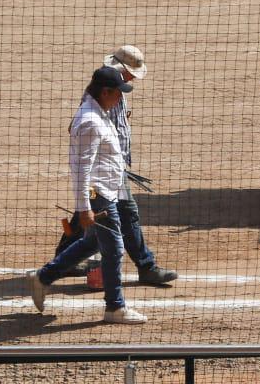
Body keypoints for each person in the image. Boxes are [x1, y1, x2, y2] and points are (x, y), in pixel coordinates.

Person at [28, 66, 148, 324]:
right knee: (114, 249)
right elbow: (81, 169)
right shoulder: (91, 122)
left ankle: (44, 277)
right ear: (105, 92)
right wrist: (84, 207)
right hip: (98, 193)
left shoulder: (98, 113)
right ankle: (115, 307)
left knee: (94, 243)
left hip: (107, 191)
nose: (120, 97)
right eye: (118, 93)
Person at [51, 45, 177, 288]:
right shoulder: (102, 92)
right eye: (130, 73)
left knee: (88, 214)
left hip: (112, 166)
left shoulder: (115, 89)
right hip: (105, 170)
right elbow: (77, 127)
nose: (132, 78)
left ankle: (62, 260)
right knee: (126, 215)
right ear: (120, 69)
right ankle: (146, 266)